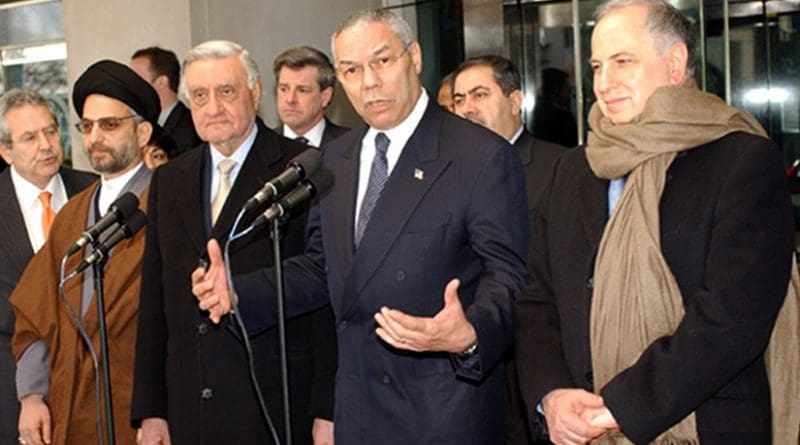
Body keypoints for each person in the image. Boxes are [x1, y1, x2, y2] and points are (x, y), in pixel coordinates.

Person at [193, 9, 530, 444]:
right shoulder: (335, 159)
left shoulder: (478, 155)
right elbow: (322, 268)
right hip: (357, 410)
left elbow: (510, 278)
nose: (368, 82)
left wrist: (470, 333)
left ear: (414, 57)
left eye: (382, 62)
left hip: (441, 413)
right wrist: (238, 292)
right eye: (351, 70)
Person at [515, 0, 798, 444]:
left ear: (675, 63)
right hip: (580, 430)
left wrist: (620, 407)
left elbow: (731, 320)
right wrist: (551, 395)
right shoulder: (575, 169)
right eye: (596, 66)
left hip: (704, 427)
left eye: (623, 62)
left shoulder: (741, 161)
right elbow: (537, 298)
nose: (604, 83)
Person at [131, 40, 337, 445]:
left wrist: (325, 410)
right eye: (200, 96)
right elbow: (155, 301)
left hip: (274, 406)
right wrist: (151, 410)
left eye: (226, 92)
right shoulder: (169, 180)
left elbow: (325, 296)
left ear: (255, 92)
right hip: (191, 409)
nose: (213, 108)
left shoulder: (303, 169)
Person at [10, 60, 158, 445]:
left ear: (142, 132)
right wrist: (32, 395)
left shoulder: (168, 203)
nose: (95, 137)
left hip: (142, 412)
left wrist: (159, 411)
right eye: (87, 126)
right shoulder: (73, 212)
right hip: (73, 408)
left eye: (110, 125)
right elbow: (36, 313)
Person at [451, 54, 565, 445]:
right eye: (459, 99)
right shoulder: (448, 172)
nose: (467, 108)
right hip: (469, 359)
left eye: (480, 94)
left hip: (536, 359)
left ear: (515, 101)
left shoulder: (561, 167)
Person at [0, 88, 96, 445]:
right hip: (12, 399)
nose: (46, 145)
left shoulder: (93, 192)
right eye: (29, 137)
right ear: (5, 151)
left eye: (51, 131)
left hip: (90, 388)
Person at [273, 46, 349, 150]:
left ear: (325, 97)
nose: (290, 100)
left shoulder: (352, 145)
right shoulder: (260, 147)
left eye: (302, 90)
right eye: (283, 89)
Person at [131, 46, 202, 156]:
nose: (131, 86)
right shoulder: (138, 123)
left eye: (136, 79)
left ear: (161, 82)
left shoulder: (192, 128)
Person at [532, 68, 578, 147]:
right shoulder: (560, 118)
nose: (569, 93)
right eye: (566, 88)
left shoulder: (539, 113)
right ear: (556, 89)